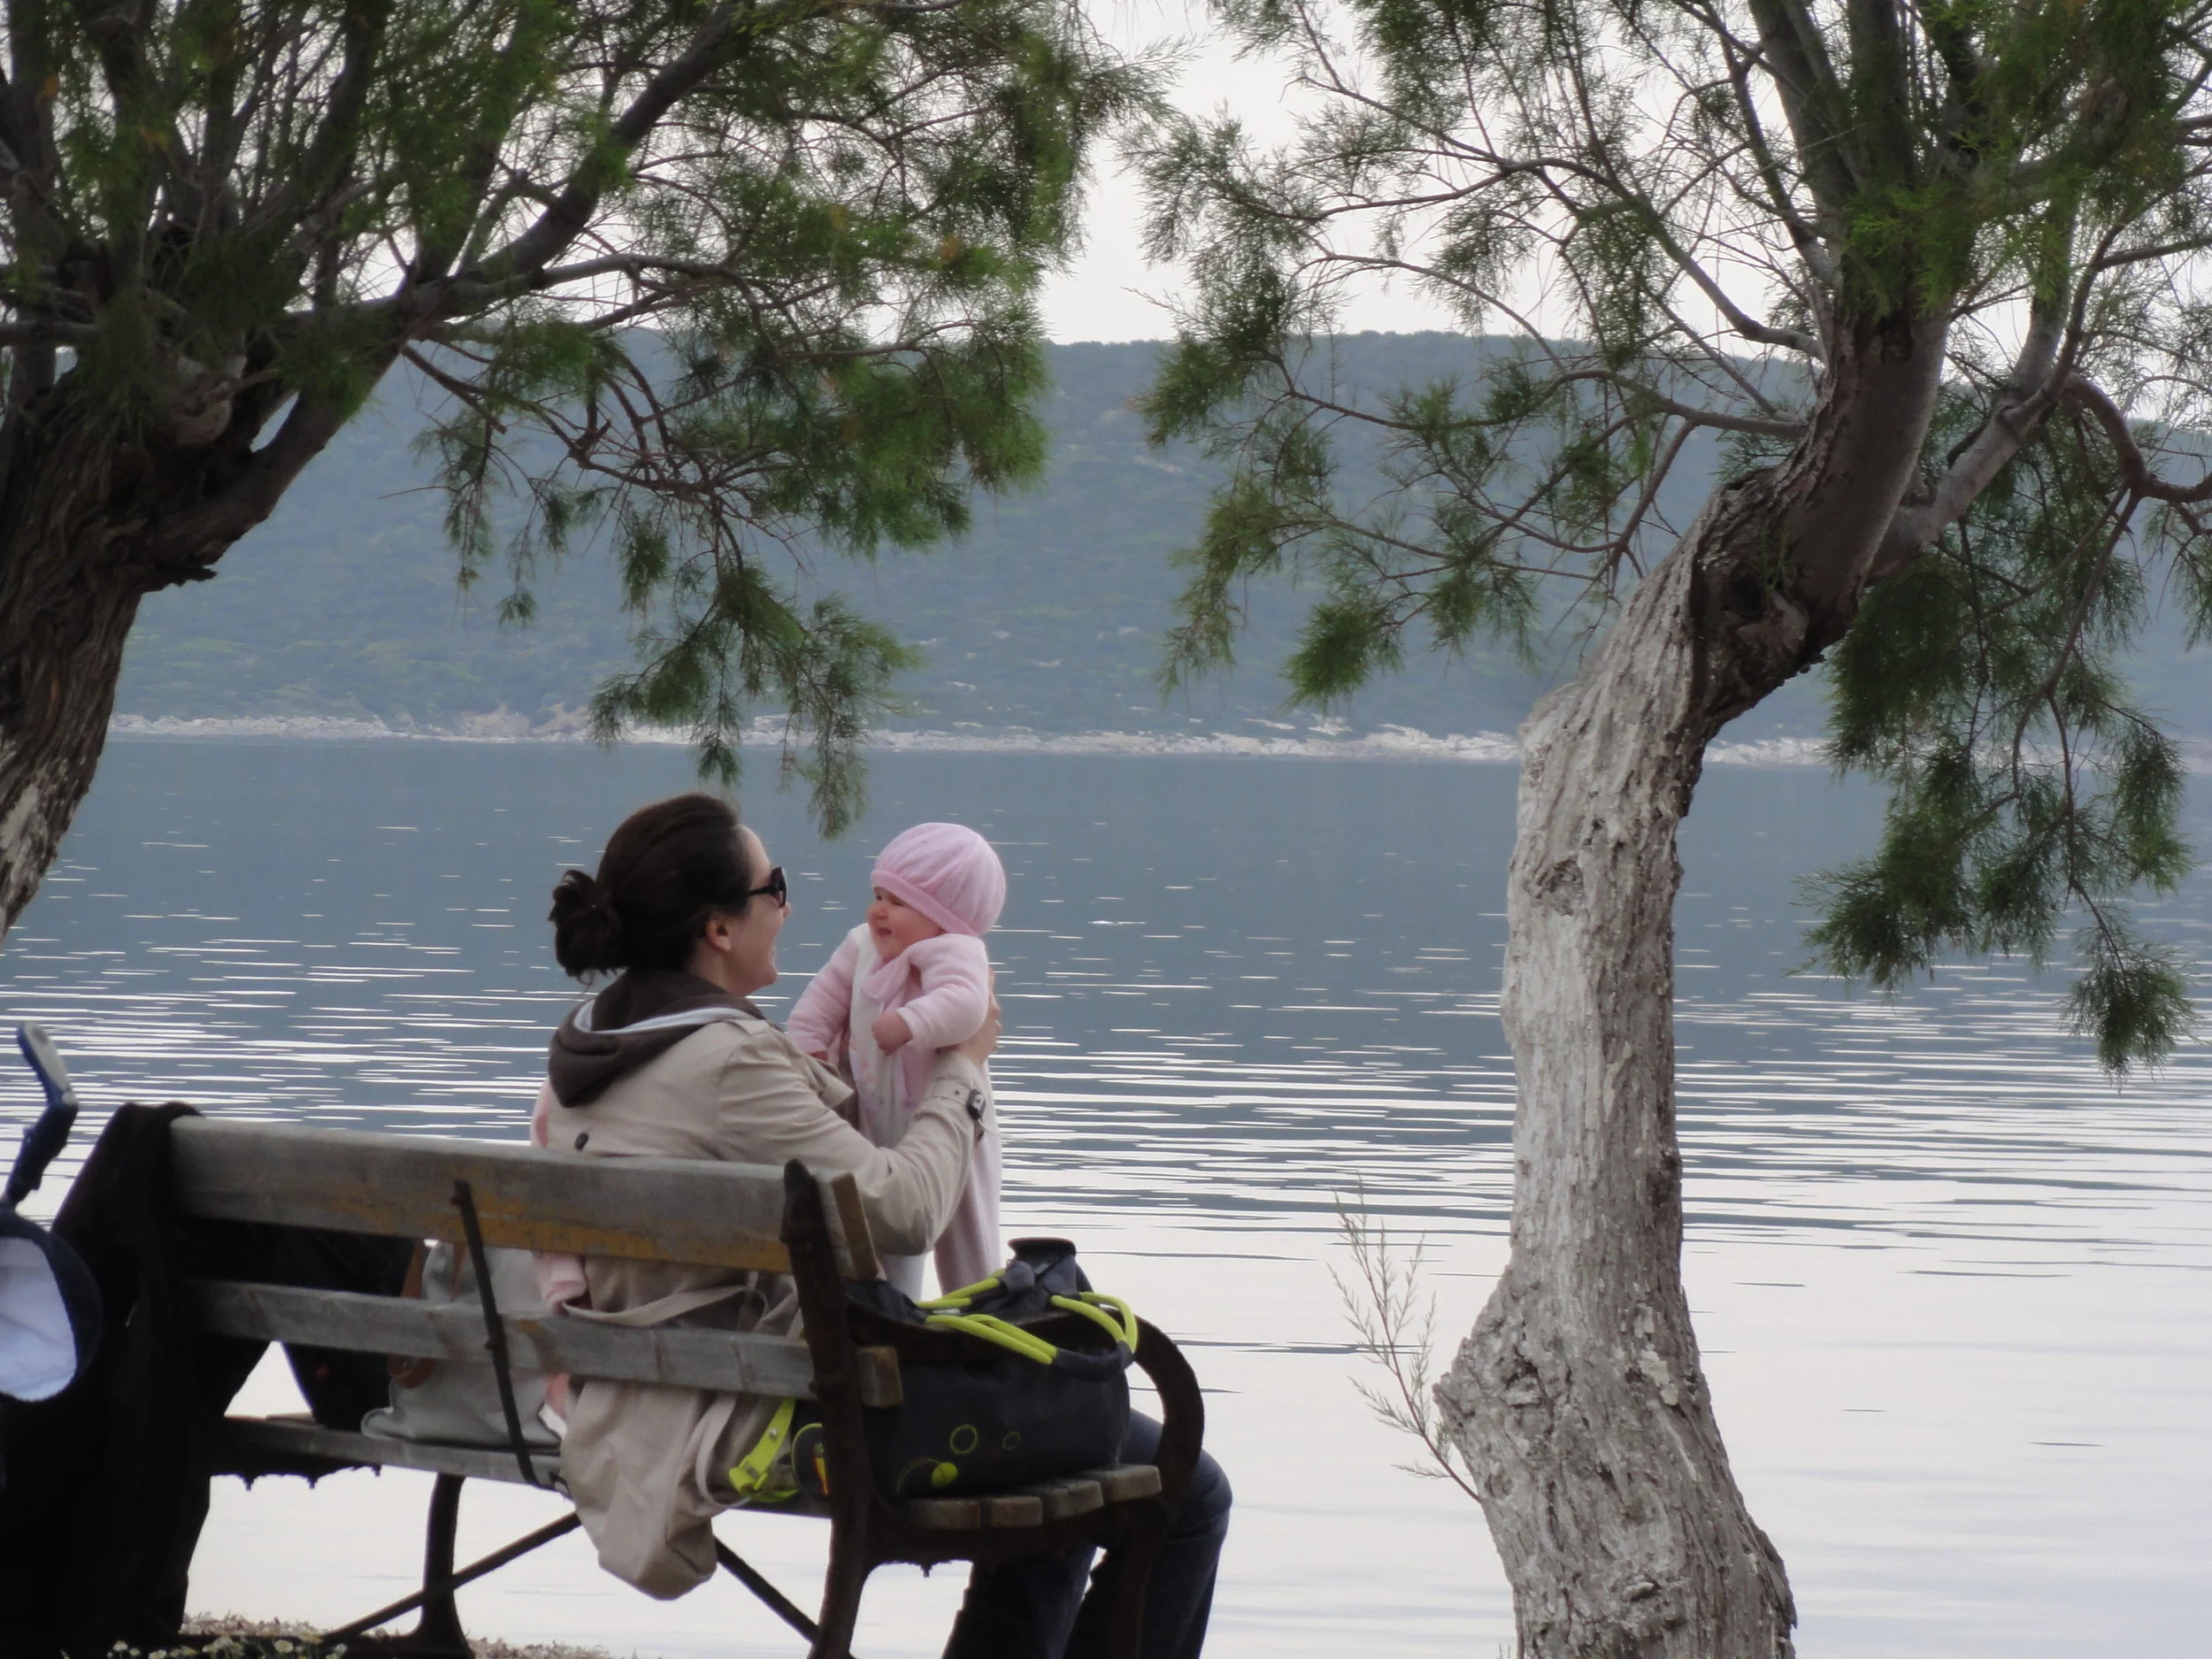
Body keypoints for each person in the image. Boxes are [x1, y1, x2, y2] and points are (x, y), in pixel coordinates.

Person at [533, 793, 1231, 1657]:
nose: (787, 907)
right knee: (1178, 1481)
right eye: (772, 887)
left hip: (644, 1381)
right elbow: (907, 1212)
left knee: (1073, 1424)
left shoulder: (593, 1041)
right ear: (719, 928)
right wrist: (962, 1073)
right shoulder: (728, 1062)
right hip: (773, 1405)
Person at [787, 821, 1005, 1297]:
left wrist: (911, 1022)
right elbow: (821, 1000)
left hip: (959, 1127)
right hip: (876, 1113)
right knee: (889, 1232)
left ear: (946, 916)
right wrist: (808, 1043)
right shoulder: (860, 946)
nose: (879, 911)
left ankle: (982, 1312)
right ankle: (897, 1307)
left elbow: (967, 1006)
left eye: (900, 902)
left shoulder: (956, 951)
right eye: (879, 895)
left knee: (968, 1233)